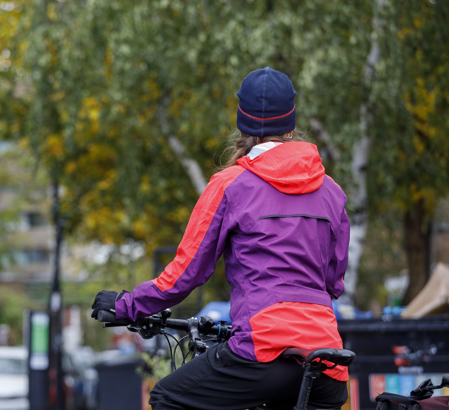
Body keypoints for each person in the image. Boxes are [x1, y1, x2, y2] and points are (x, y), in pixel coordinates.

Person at [91, 67, 350, 410]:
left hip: (261, 351)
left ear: (242, 124)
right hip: (326, 362)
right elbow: (334, 281)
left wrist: (127, 304)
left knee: (167, 397)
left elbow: (187, 274)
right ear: (291, 125)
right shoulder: (330, 191)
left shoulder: (231, 185)